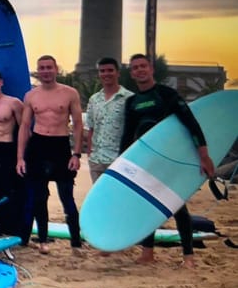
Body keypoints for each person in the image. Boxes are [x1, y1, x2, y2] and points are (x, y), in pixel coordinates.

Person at [121, 54, 215, 267]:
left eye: (143, 66)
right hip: (146, 162)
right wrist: (122, 166)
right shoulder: (132, 102)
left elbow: (191, 124)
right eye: (135, 68)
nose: (140, 70)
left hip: (170, 160)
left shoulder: (167, 95)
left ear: (151, 68)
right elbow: (127, 137)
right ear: (132, 73)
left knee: (177, 205)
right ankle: (147, 253)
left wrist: (204, 156)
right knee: (147, 207)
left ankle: (188, 256)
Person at [16, 55, 83, 253]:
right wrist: (20, 157)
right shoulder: (31, 95)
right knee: (38, 197)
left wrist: (77, 154)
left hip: (60, 146)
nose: (45, 71)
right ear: (38, 71)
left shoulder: (69, 93)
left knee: (67, 198)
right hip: (37, 145)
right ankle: (43, 240)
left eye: (49, 67)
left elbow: (78, 125)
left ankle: (76, 242)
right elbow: (25, 126)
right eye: (42, 68)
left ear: (56, 69)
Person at [84, 57, 134, 184]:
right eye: (102, 71)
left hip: (119, 160)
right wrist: (90, 153)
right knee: (100, 199)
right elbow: (91, 128)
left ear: (118, 73)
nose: (106, 74)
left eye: (110, 70)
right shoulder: (94, 99)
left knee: (118, 198)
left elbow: (133, 130)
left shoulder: (129, 98)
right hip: (96, 161)